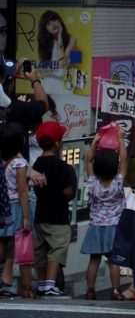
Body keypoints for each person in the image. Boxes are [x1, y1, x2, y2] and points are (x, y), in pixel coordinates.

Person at [82, 126, 127, 301]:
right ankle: (116, 291)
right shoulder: (118, 183)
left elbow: (89, 161)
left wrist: (94, 143)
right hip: (114, 227)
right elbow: (124, 160)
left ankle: (90, 291)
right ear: (115, 167)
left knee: (94, 260)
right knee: (113, 260)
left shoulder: (93, 183)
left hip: (95, 226)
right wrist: (121, 140)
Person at [32, 121, 75, 298]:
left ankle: (42, 285)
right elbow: (67, 191)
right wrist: (69, 190)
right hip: (57, 216)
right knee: (56, 249)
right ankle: (50, 285)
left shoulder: (36, 164)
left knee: (41, 251)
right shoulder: (62, 166)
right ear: (57, 143)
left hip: (40, 215)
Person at [0, 122, 34, 298]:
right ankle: (16, 283)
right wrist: (26, 217)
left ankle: (6, 280)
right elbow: (22, 191)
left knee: (3, 243)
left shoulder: (2, 161)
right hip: (15, 208)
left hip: (2, 207)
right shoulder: (20, 163)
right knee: (18, 245)